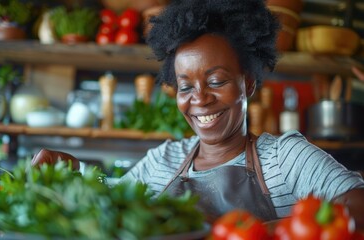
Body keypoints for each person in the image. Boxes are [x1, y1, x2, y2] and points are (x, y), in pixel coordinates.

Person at [32, 0, 364, 228]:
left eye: (216, 81)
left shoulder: (285, 158)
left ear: (247, 84)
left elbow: (357, 206)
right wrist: (76, 172)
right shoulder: (163, 160)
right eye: (185, 86)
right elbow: (115, 195)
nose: (200, 99)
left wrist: (268, 231)